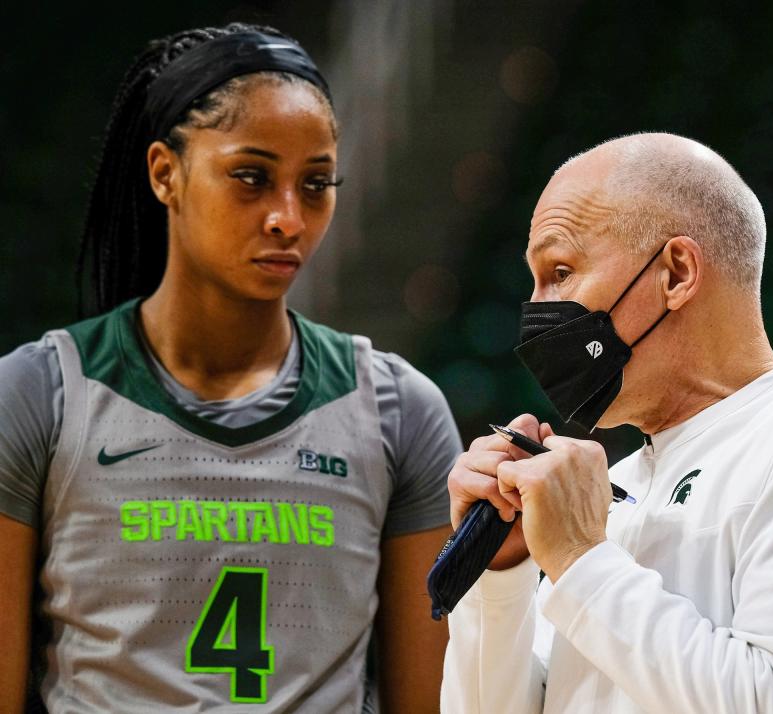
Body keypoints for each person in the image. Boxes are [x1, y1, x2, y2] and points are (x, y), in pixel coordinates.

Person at [0, 23, 461, 712]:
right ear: (165, 173)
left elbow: (426, 704)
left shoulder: (400, 411)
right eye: (252, 177)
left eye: (317, 184)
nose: (288, 218)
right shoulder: (40, 395)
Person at [441, 133, 773, 712]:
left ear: (677, 273)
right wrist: (502, 572)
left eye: (560, 271)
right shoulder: (618, 481)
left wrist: (581, 559)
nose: (535, 311)